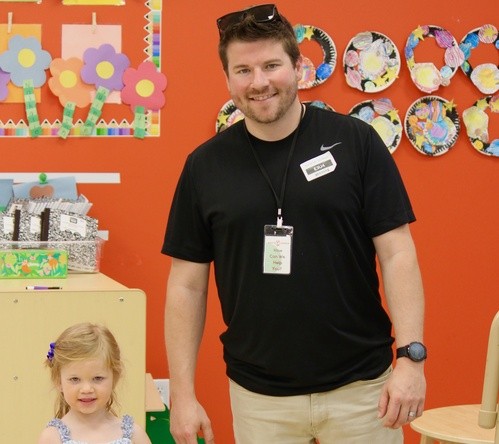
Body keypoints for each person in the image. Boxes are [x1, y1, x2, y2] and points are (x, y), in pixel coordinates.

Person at [162, 4, 426, 443]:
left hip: (364, 390)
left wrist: (412, 358)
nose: (259, 82)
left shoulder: (356, 143)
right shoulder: (205, 167)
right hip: (260, 398)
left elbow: (398, 253)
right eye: (243, 70)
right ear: (227, 79)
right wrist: (182, 394)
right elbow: (186, 286)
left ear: (299, 67)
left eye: (271, 65)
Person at [37, 322, 151, 444]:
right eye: (75, 379)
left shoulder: (134, 435)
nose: (87, 389)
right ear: (58, 381)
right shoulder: (52, 438)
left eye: (97, 378)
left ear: (115, 377)